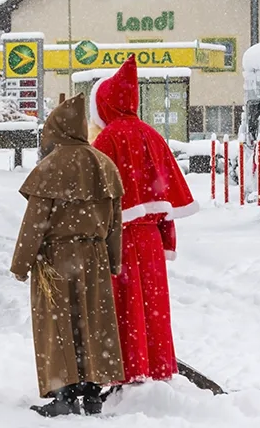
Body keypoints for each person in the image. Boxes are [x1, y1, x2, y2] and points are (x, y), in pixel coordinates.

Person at [11, 93, 125, 417]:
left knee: (57, 324)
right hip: (96, 258)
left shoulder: (51, 168)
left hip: (57, 260)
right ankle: (92, 393)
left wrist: (22, 264)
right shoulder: (104, 165)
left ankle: (64, 393)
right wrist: (113, 261)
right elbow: (116, 222)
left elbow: (35, 223)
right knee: (94, 322)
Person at [89, 55, 198, 387]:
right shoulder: (152, 135)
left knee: (123, 307)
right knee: (151, 307)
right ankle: (156, 366)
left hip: (118, 239)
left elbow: (97, 198)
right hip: (150, 239)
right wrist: (166, 238)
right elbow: (165, 198)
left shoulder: (107, 140)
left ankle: (126, 369)